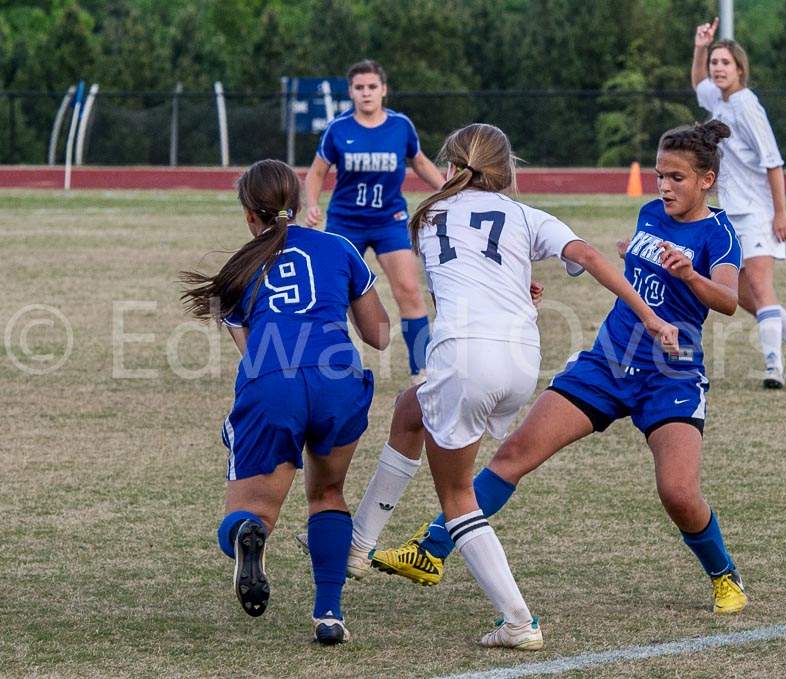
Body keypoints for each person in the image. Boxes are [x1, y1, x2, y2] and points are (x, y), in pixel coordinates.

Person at [370, 122, 750, 617]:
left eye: (676, 178)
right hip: (607, 362)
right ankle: (431, 549)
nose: (664, 186)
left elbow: (728, 300)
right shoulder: (650, 213)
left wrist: (690, 273)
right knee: (515, 454)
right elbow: (636, 280)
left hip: (671, 375)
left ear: (707, 180)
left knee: (677, 493)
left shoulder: (719, 233)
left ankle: (724, 574)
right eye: (659, 175)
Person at [179, 159, 390, 646]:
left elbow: (252, 352)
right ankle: (329, 614)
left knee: (252, 514)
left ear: (249, 214)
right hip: (337, 377)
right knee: (327, 496)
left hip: (273, 379)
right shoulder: (338, 246)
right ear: (297, 203)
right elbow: (379, 334)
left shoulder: (239, 267)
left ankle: (245, 536)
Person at [691, 18, 786, 388]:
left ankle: (773, 370)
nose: (717, 69)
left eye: (724, 63)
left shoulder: (747, 106)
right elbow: (697, 85)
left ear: (740, 70)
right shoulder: (718, 100)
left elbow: (773, 161)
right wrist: (700, 46)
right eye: (714, 62)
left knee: (762, 289)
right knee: (740, 295)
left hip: (757, 214)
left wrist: (780, 213)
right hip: (729, 215)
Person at [304, 59, 445, 382]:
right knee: (334, 295)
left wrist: (447, 191)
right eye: (359, 88)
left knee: (409, 289)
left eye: (372, 87)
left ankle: (421, 371)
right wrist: (312, 204)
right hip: (345, 224)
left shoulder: (400, 126)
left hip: (390, 221)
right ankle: (332, 365)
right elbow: (316, 172)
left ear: (384, 90)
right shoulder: (338, 129)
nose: (366, 93)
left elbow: (420, 162)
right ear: (351, 92)